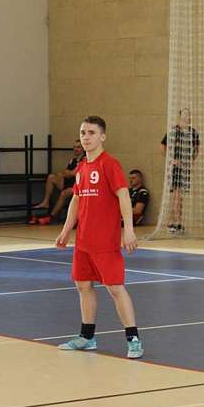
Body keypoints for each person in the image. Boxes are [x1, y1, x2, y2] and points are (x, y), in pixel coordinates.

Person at [55, 116, 143, 359]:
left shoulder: (109, 164)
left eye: (91, 133)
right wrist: (66, 229)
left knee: (115, 288)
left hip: (105, 242)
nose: (86, 137)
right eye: (83, 132)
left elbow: (123, 196)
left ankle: (133, 338)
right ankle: (87, 337)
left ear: (102, 136)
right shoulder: (82, 167)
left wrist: (128, 229)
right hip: (83, 241)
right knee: (83, 286)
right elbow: (76, 200)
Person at [161, 107, 199, 234]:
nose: (187, 116)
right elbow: (162, 147)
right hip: (175, 168)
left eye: (188, 114)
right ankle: (176, 222)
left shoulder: (193, 132)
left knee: (179, 196)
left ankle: (175, 222)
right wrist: (171, 160)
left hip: (185, 168)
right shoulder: (173, 131)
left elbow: (196, 149)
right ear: (180, 116)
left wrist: (190, 160)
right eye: (184, 114)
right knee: (176, 195)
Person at [32, 139, 85, 225]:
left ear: (83, 148)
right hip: (68, 182)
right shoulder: (73, 160)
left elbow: (74, 173)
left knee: (64, 193)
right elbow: (66, 172)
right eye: (74, 147)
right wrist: (67, 173)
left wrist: (68, 173)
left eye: (78, 147)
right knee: (51, 177)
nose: (76, 149)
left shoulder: (85, 159)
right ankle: (46, 202)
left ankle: (51, 217)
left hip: (78, 186)